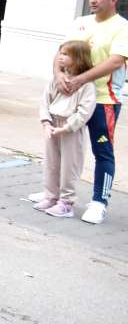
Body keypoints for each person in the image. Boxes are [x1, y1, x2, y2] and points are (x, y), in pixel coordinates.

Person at [56, 0, 128, 225]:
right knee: (61, 146)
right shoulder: (80, 22)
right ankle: (56, 195)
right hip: (72, 97)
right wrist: (59, 75)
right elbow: (61, 52)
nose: (93, 0)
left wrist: (81, 79)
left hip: (102, 100)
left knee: (102, 152)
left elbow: (115, 62)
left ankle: (99, 202)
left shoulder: (121, 27)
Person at [33, 40, 97, 218]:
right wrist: (46, 122)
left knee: (70, 166)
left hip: (71, 129)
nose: (60, 57)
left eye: (66, 54)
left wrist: (67, 127)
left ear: (79, 59)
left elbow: (84, 111)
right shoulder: (58, 80)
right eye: (60, 53)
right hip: (53, 124)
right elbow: (45, 101)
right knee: (52, 163)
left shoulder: (86, 85)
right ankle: (51, 196)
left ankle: (66, 202)